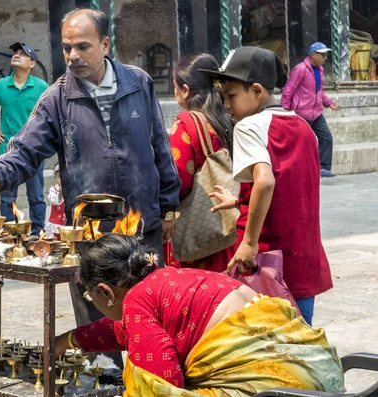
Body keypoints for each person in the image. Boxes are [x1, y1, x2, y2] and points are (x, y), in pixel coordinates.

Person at [0, 8, 180, 367]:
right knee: (99, 325)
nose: (72, 56)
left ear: (105, 44)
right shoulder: (58, 97)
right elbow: (25, 149)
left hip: (141, 228)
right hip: (92, 236)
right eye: (67, 47)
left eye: (83, 47)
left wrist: (168, 205)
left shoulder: (139, 82)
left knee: (149, 318)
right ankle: (107, 383)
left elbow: (159, 146)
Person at [54, 234, 345, 397]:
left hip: (279, 390)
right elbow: (124, 331)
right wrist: (64, 342)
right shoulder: (171, 279)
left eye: (90, 295)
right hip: (319, 376)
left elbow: (160, 384)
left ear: (106, 292)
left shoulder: (138, 301)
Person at [199, 46, 334, 325]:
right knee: (300, 345)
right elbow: (290, 190)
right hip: (301, 260)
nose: (225, 106)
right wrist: (239, 202)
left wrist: (248, 244)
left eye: (231, 96)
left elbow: (266, 181)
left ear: (257, 91)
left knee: (267, 352)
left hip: (267, 263)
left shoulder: (249, 127)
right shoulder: (304, 127)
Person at [165, 53, 235, 271]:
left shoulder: (187, 122)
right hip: (227, 228)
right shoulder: (228, 119)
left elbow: (178, 178)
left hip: (199, 236)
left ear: (185, 90)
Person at [0, 42, 48, 235]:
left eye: (22, 54)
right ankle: (8, 235)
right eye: (15, 53)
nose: (16, 55)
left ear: (32, 63)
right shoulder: (1, 86)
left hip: (34, 151)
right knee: (6, 198)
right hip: (8, 153)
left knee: (36, 196)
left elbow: (51, 113)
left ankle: (38, 234)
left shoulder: (41, 87)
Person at [280, 42, 342, 178]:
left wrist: (329, 103)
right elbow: (289, 90)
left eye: (326, 55)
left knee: (326, 138)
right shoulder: (300, 69)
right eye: (323, 55)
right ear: (313, 54)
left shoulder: (319, 70)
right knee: (301, 143)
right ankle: (297, 169)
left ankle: (323, 168)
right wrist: (285, 109)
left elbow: (319, 91)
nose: (325, 58)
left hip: (316, 113)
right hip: (302, 113)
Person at [44, 164, 64, 239]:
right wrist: (60, 194)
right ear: (55, 177)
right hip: (57, 220)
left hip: (65, 220)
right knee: (57, 237)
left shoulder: (69, 188)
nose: (61, 180)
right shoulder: (53, 189)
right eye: (59, 177)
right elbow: (54, 201)